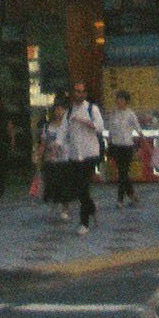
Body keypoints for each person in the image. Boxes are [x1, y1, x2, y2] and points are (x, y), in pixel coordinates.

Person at [55, 91, 103, 231]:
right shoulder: (69, 112)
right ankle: (92, 207)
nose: (79, 94)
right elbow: (62, 131)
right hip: (75, 155)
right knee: (80, 188)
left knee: (82, 186)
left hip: (90, 154)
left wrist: (85, 122)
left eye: (82, 91)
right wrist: (56, 145)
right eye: (76, 91)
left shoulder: (92, 109)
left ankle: (84, 222)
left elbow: (99, 127)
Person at [104, 94, 142, 206]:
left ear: (126, 102)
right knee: (122, 172)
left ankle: (120, 199)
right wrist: (109, 145)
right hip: (116, 146)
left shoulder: (130, 114)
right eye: (118, 100)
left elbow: (138, 128)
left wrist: (141, 146)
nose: (119, 102)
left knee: (122, 173)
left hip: (127, 146)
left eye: (122, 100)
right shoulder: (113, 114)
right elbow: (110, 131)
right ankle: (131, 194)